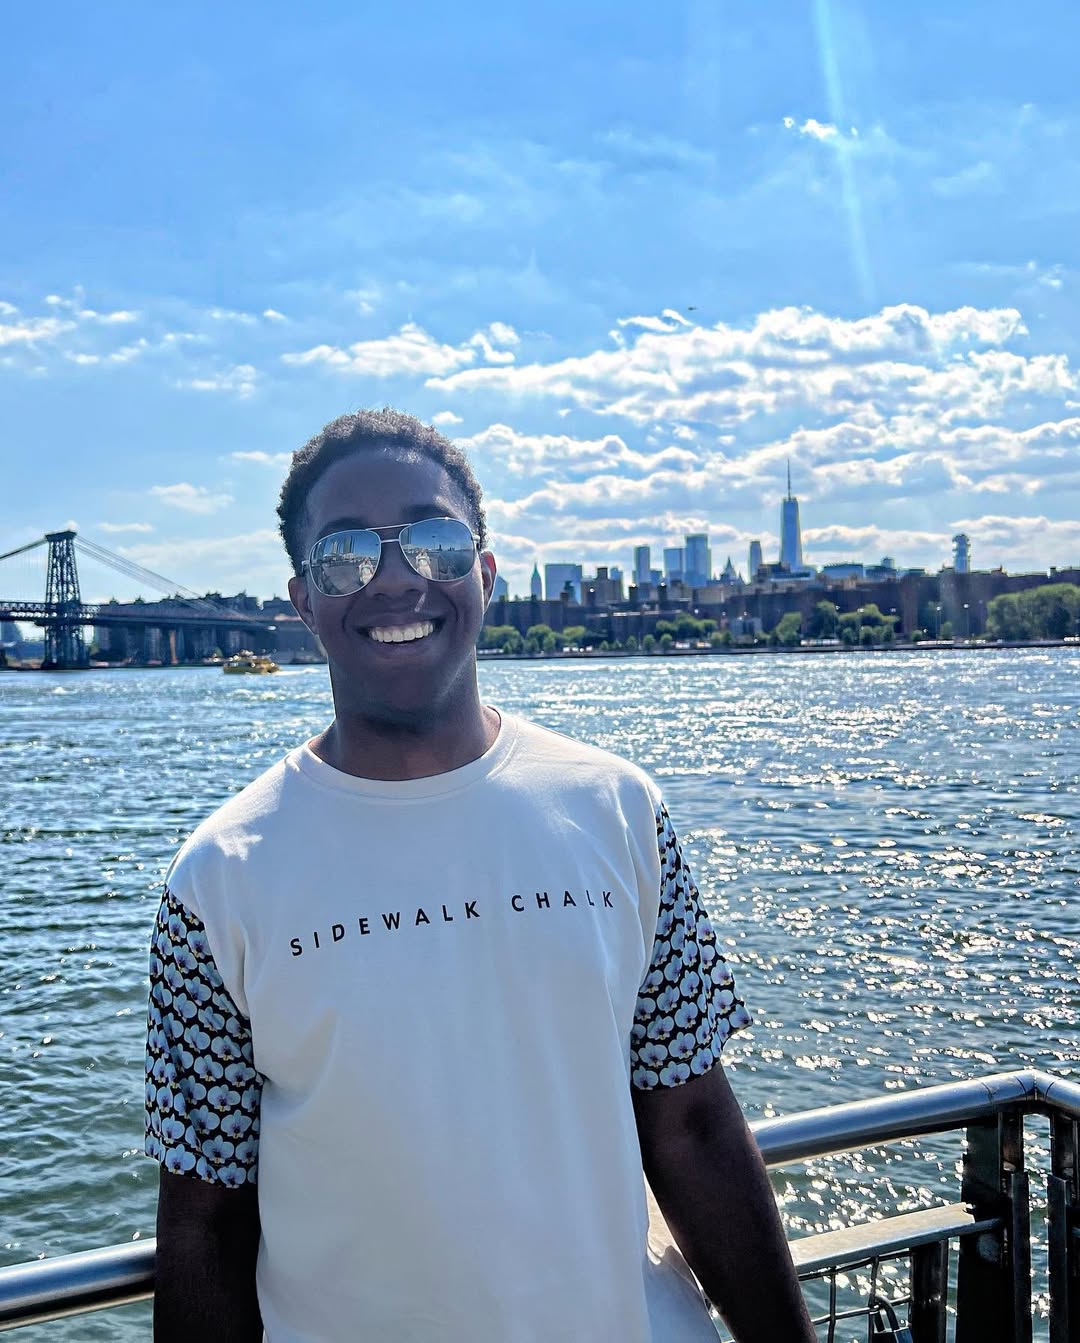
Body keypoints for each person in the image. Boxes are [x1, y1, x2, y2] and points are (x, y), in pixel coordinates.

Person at [145, 408, 816, 1343]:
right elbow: (205, 1224)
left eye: (435, 541)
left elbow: (694, 1123)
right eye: (345, 554)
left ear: (486, 574)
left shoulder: (621, 808)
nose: (394, 578)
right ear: (302, 601)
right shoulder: (216, 881)